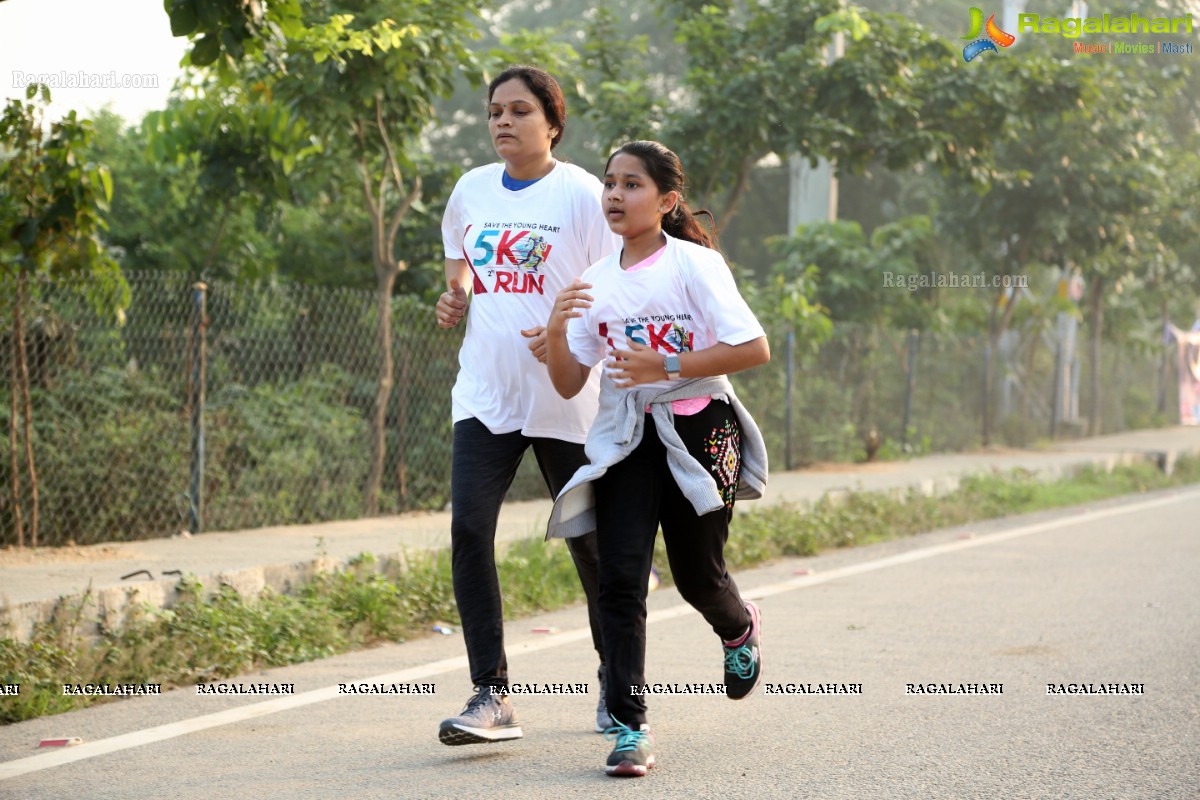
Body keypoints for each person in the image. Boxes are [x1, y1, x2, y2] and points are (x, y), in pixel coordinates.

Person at [545, 140, 770, 777]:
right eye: (610, 184)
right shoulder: (592, 282)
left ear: (667, 200)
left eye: (633, 185)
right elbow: (568, 383)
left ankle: (738, 626)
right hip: (624, 436)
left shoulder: (695, 266)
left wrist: (664, 364)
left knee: (698, 575)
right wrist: (560, 330)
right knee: (619, 580)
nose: (615, 195)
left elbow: (753, 348)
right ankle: (628, 726)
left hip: (700, 428)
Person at [435, 65, 617, 746]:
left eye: (518, 110)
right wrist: (455, 294)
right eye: (494, 112)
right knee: (469, 532)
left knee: (593, 547)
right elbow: (460, 261)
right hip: (485, 395)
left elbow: (616, 285)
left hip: (569, 400)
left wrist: (569, 333)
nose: (502, 122)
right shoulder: (472, 190)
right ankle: (491, 694)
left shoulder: (582, 195)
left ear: (553, 121)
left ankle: (616, 685)